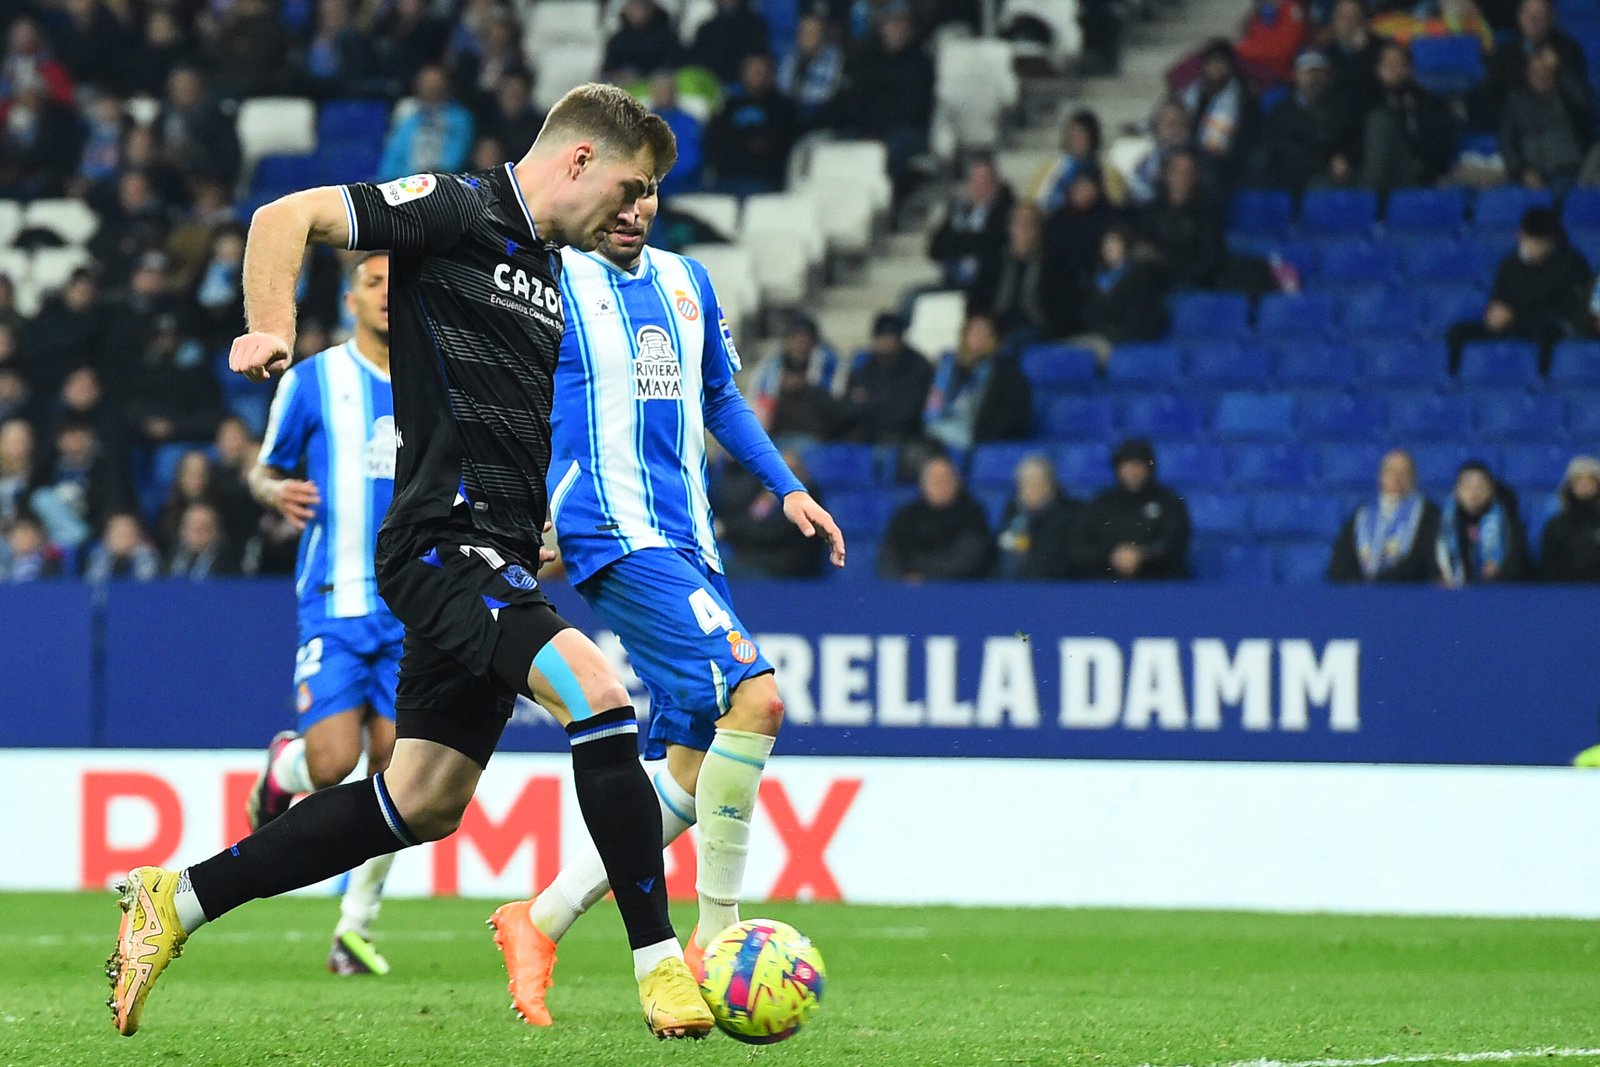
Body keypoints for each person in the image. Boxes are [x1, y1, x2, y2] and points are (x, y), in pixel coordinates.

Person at [106, 83, 713, 1042]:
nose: (642, 212)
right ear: (581, 161)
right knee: (597, 692)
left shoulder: (549, 271)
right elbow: (286, 214)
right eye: (635, 188)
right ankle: (659, 961)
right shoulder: (459, 209)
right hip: (440, 543)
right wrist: (272, 325)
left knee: (423, 799)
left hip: (499, 549)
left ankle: (174, 900)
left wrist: (540, 525)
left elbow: (503, 420)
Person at [488, 184, 843, 1026]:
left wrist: (786, 486)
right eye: (618, 190)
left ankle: (538, 920)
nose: (632, 207)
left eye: (646, 191)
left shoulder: (688, 281)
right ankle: (718, 942)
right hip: (610, 533)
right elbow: (512, 406)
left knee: (688, 773)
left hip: (691, 541)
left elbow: (720, 396)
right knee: (756, 698)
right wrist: (530, 509)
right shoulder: (555, 280)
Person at [239, 251, 403, 977]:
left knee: (406, 771)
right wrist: (274, 492)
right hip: (337, 602)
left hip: (417, 609)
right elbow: (263, 467)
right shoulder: (314, 380)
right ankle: (287, 764)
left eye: (401, 284)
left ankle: (354, 928)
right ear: (350, 297)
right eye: (374, 283)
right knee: (334, 762)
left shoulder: (441, 379)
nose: (388, 295)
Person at [1446, 207, 1591, 373]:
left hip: (1548, 325)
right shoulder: (1509, 264)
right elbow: (1499, 297)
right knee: (1458, 332)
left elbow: (1569, 306)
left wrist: (1516, 313)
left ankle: (1541, 381)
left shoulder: (1572, 263)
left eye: (1542, 242)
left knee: (1544, 332)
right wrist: (1495, 313)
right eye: (1533, 241)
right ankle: (1455, 381)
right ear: (1521, 236)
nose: (1537, 247)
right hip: (1511, 325)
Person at [1072, 439, 1190, 580]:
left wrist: (1143, 555)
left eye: (1138, 465)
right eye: (1127, 465)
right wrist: (1111, 556)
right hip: (1106, 587)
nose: (1132, 471)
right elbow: (1079, 548)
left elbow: (1174, 544)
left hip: (1157, 585)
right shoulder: (1101, 504)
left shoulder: (1170, 503)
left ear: (1149, 467)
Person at [1328, 449, 1442, 583]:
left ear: (1414, 478)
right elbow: (1343, 554)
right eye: (1391, 471)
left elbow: (1423, 557)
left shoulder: (1428, 513)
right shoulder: (1363, 513)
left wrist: (1382, 582)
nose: (1397, 478)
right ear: (1380, 476)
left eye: (1404, 473)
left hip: (1405, 592)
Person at [924, 311, 1032, 451]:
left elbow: (1013, 417)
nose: (978, 337)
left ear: (995, 339)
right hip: (933, 433)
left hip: (977, 441)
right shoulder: (945, 365)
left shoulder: (1005, 372)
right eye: (974, 331)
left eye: (984, 333)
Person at [878, 453, 995, 580]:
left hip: (956, 590)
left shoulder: (973, 514)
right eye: (934, 480)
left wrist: (926, 576)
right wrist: (902, 577)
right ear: (923, 484)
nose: (940, 485)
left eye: (946, 479)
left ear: (957, 482)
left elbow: (968, 558)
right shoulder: (906, 515)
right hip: (908, 589)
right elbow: (889, 554)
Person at [1433, 460, 1530, 586]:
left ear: (1491, 490)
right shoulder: (1442, 524)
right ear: (1456, 491)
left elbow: (1517, 567)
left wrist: (1497, 573)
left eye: (1480, 486)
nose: (1474, 492)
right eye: (1467, 486)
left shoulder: (1509, 524)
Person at [996, 454, 1079, 579]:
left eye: (1036, 483)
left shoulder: (1070, 513)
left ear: (1050, 484)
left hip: (1052, 588)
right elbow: (1004, 548)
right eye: (1024, 483)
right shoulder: (1012, 511)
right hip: (1008, 588)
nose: (1029, 490)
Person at [1541, 455, 1600, 582]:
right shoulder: (1555, 526)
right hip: (1564, 596)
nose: (1585, 485)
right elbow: (1549, 572)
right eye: (1578, 479)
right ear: (1570, 485)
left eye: (1591, 479)